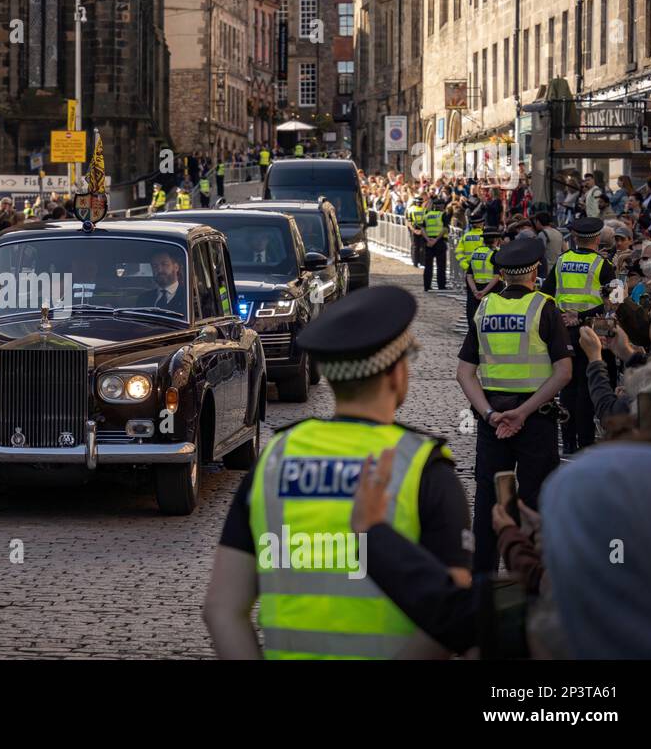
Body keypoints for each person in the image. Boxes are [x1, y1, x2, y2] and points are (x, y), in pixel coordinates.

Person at [204, 286, 471, 659]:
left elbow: (222, 609)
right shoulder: (423, 467)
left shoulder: (277, 459)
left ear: (330, 377)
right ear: (396, 374)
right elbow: (455, 615)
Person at [456, 238, 573, 574]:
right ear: (535, 270)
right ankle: (534, 580)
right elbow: (563, 372)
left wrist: (490, 414)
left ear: (503, 274)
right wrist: (523, 412)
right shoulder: (544, 307)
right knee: (538, 500)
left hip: (493, 420)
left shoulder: (486, 308)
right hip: (535, 418)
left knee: (489, 501)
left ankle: (484, 585)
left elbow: (464, 373)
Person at [541, 216, 615, 453]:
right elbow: (617, 301)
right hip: (591, 331)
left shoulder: (562, 261)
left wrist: (563, 315)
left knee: (567, 386)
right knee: (587, 386)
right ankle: (585, 442)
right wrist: (582, 316)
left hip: (563, 330)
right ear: (596, 239)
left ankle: (568, 441)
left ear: (574, 237)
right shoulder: (604, 265)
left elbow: (546, 293)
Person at [464, 228, 503, 327]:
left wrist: (475, 291)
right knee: (489, 322)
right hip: (491, 290)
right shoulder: (496, 254)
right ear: (496, 240)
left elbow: (469, 275)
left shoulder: (476, 252)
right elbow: (496, 276)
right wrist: (484, 292)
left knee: (474, 321)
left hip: (475, 290)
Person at [137, 247, 185, 312]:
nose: (159, 270)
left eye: (164, 264)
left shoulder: (189, 297)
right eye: (155, 266)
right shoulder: (143, 299)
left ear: (176, 267)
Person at [421, 198, 448, 291]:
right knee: (441, 265)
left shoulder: (427, 215)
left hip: (428, 242)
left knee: (428, 266)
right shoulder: (443, 214)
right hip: (439, 241)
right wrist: (435, 240)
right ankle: (441, 286)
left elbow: (422, 229)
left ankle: (427, 286)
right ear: (442, 206)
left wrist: (428, 239)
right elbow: (445, 229)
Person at [405, 195, 425, 267]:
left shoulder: (422, 210)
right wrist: (415, 230)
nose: (419, 203)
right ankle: (417, 262)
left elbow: (408, 221)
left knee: (417, 246)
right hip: (417, 229)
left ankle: (417, 262)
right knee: (417, 246)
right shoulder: (422, 210)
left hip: (416, 229)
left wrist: (414, 230)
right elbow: (408, 220)